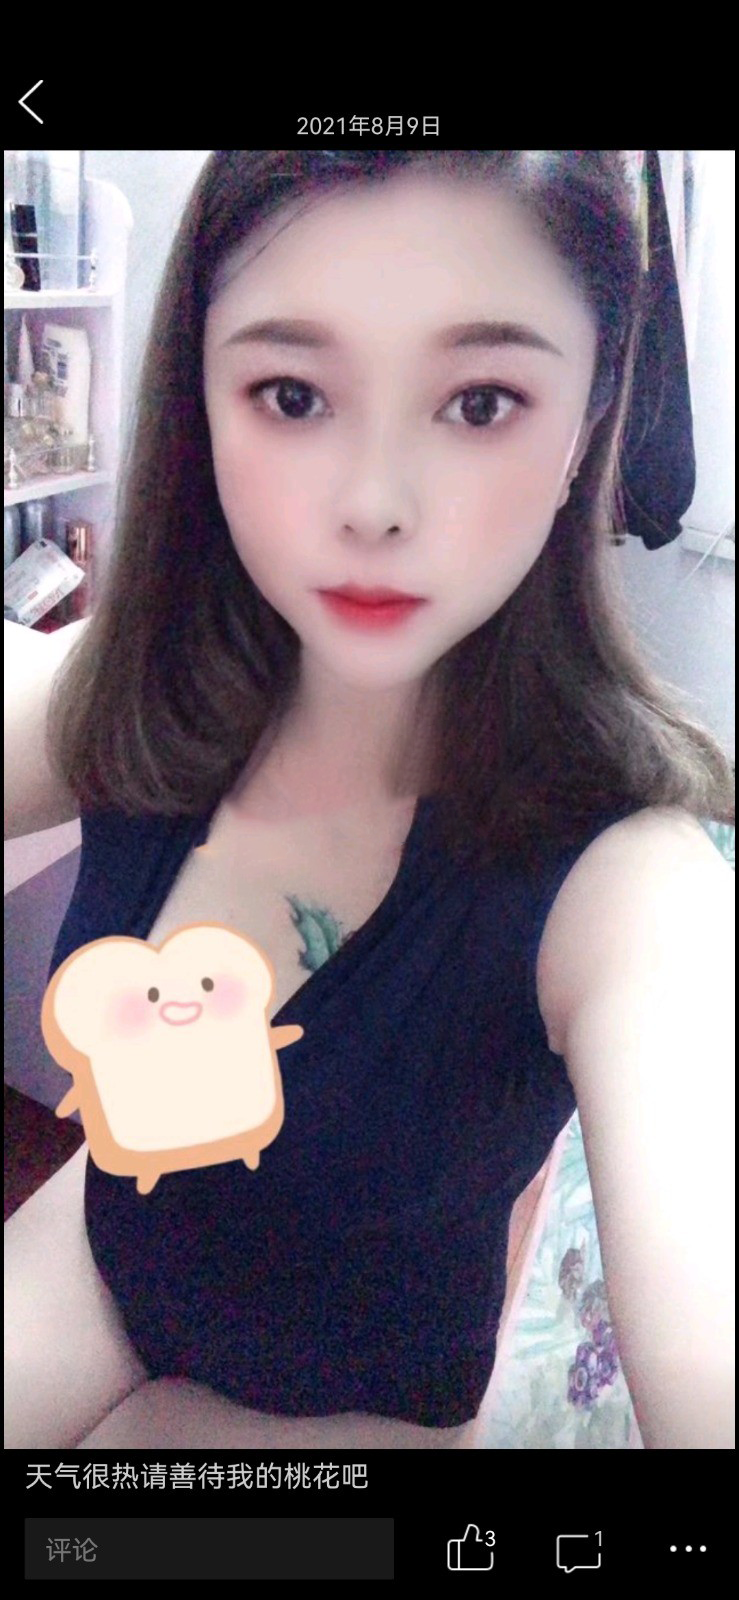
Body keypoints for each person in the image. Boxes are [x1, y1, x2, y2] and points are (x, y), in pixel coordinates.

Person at [4, 151, 734, 1450]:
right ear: (201, 397)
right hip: (106, 1250)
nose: (374, 506)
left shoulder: (632, 884)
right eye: (292, 395)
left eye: (479, 403)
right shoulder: (145, 687)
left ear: (587, 419)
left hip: (353, 1402)